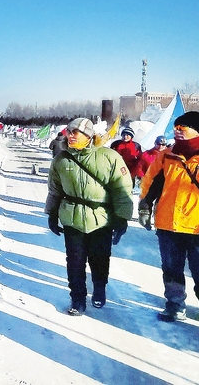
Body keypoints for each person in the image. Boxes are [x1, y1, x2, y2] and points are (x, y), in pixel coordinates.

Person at [138, 111, 199, 322]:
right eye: (176, 128)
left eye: (183, 128)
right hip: (168, 223)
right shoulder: (166, 156)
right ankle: (175, 305)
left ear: (198, 131)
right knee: (171, 270)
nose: (177, 132)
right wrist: (144, 207)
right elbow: (150, 183)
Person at [45, 117, 134, 316]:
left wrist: (122, 218)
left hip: (101, 218)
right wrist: (51, 213)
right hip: (72, 218)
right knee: (75, 261)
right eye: (69, 132)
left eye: (75, 132)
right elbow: (54, 190)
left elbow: (123, 189)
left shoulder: (109, 157)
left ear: (88, 136)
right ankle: (77, 298)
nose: (70, 136)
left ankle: (100, 289)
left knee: (100, 259)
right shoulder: (61, 159)